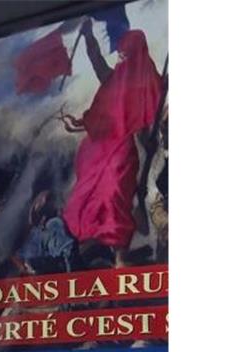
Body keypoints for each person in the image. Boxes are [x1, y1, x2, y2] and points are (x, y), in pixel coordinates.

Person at [61, 26, 164, 268]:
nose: (120, 61)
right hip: (99, 148)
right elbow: (97, 61)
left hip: (125, 149)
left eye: (125, 56)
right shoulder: (113, 79)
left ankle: (119, 255)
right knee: (86, 195)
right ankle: (94, 245)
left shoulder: (150, 82)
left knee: (113, 191)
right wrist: (88, 36)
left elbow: (150, 117)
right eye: (119, 56)